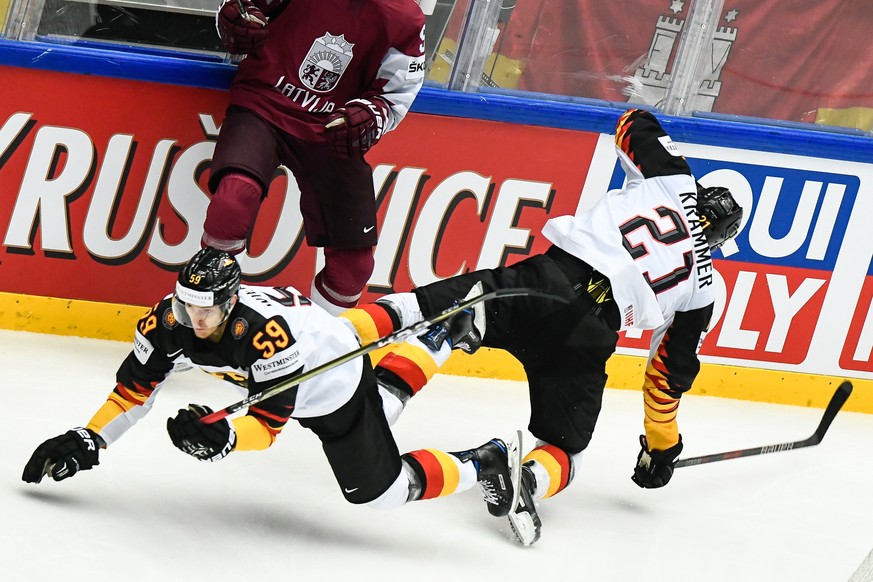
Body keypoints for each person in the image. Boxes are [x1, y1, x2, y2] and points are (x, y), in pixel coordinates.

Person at [341, 108, 744, 546]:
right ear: (721, 240)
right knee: (566, 453)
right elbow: (665, 382)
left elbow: (633, 121)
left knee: (418, 309)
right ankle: (522, 478)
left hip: (545, 282)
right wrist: (662, 448)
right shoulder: (705, 288)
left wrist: (673, 162)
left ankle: (354, 354)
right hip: (588, 337)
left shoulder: (673, 179)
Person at [21, 247, 524, 540]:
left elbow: (265, 427)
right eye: (185, 304)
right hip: (316, 344)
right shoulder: (167, 323)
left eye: (206, 310)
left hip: (329, 383)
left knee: (382, 493)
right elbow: (133, 392)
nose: (193, 321)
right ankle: (439, 339)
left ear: (231, 302)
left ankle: (487, 458)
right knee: (384, 404)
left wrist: (223, 441)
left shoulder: (263, 335)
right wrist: (90, 437)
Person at [203, 0, 427, 314]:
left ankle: (317, 344)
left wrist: (372, 116)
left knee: (354, 266)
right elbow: (238, 8)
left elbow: (396, 92)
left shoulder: (403, 16)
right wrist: (236, 21)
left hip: (331, 129)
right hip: (263, 103)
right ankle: (208, 320)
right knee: (234, 199)